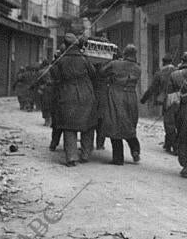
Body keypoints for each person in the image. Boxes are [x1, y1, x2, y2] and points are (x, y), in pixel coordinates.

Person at [49, 33, 97, 166]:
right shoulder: (84, 59)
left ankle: (71, 157)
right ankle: (86, 154)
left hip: (67, 95)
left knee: (69, 127)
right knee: (88, 124)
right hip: (86, 94)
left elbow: (56, 78)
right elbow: (93, 74)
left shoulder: (61, 61)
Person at [101, 44, 142, 164]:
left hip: (116, 95)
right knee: (129, 124)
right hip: (131, 96)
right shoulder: (138, 68)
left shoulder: (115, 64)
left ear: (124, 54)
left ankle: (118, 158)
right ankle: (135, 150)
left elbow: (102, 72)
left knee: (115, 124)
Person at [167, 51, 187, 176]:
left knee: (183, 138)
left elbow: (170, 97)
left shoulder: (174, 75)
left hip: (181, 110)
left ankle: (185, 166)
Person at [140, 53, 177, 153]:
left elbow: (152, 88)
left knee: (169, 123)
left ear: (163, 62)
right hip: (179, 99)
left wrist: (144, 99)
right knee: (176, 122)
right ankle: (168, 143)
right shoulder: (178, 71)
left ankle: (174, 146)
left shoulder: (160, 73)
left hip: (167, 99)